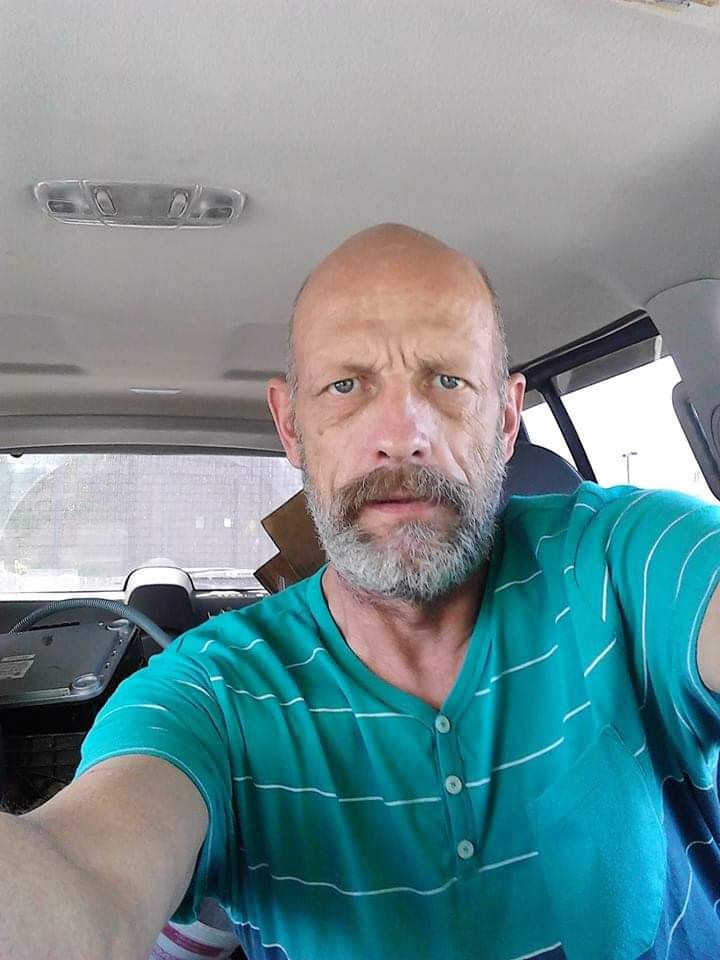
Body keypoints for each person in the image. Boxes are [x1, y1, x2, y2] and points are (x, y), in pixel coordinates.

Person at [3, 224, 720, 960]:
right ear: (291, 426)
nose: (401, 435)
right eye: (346, 386)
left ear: (507, 419)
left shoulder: (624, 559)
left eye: (448, 381)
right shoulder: (212, 695)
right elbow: (85, 884)